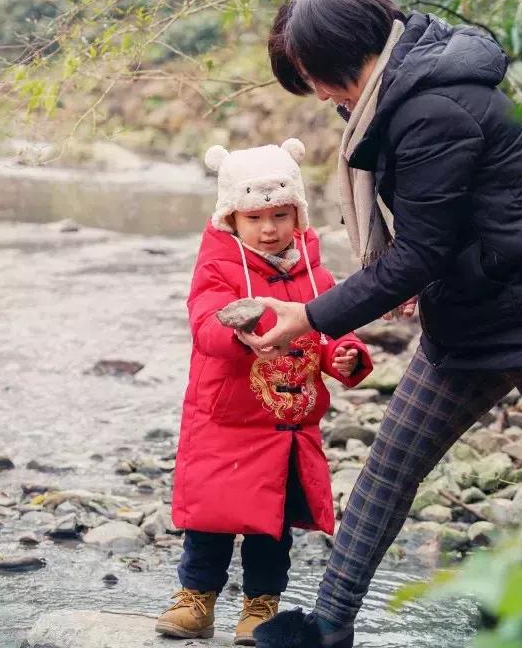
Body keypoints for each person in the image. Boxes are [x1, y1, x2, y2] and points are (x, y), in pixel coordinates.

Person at [247, 0, 522, 648]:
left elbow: (417, 254)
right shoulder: (393, 98)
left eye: (317, 75)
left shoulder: (430, 108)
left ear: (342, 54)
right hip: (474, 306)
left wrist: (310, 314)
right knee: (391, 464)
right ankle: (330, 624)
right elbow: (437, 238)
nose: (322, 94)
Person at [158, 137, 374, 645]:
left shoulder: (316, 275)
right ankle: (196, 598)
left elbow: (330, 331)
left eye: (280, 215)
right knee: (211, 518)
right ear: (231, 218)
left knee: (271, 524)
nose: (270, 228)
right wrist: (238, 332)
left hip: (286, 425)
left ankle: (261, 603)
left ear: (297, 214)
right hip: (225, 418)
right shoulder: (218, 267)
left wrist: (345, 356)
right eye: (255, 217)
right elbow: (205, 321)